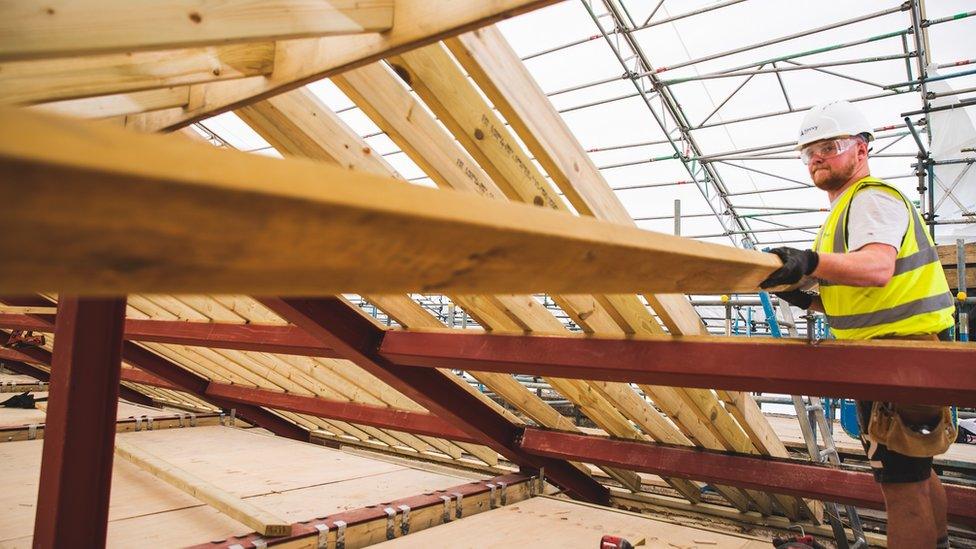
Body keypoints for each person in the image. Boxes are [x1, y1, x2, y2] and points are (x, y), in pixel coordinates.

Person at [759, 100, 956, 548]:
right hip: (905, 355)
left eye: (830, 146)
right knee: (918, 473)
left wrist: (808, 262)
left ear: (861, 151)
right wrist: (806, 299)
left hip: (899, 359)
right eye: (809, 152)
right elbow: (861, 296)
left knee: (900, 486)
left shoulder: (869, 198)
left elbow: (875, 269)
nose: (818, 158)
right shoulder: (846, 211)